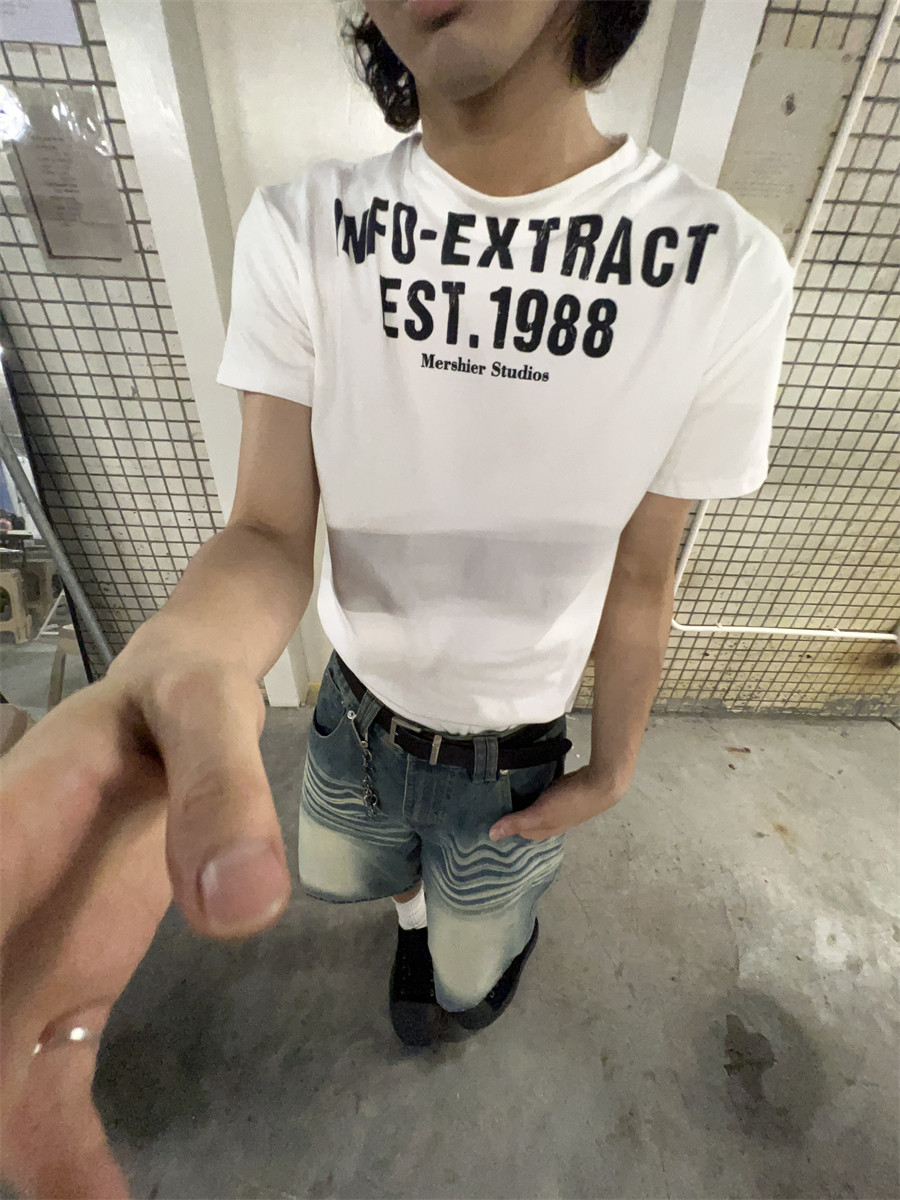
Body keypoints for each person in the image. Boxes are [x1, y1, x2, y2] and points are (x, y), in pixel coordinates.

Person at [0, 0, 795, 1191]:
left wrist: (615, 766)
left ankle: (467, 950)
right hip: (353, 720)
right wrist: (185, 655)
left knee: (471, 984)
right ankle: (418, 920)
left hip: (512, 758)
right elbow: (268, 528)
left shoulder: (722, 269)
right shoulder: (302, 228)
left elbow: (645, 572)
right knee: (362, 884)